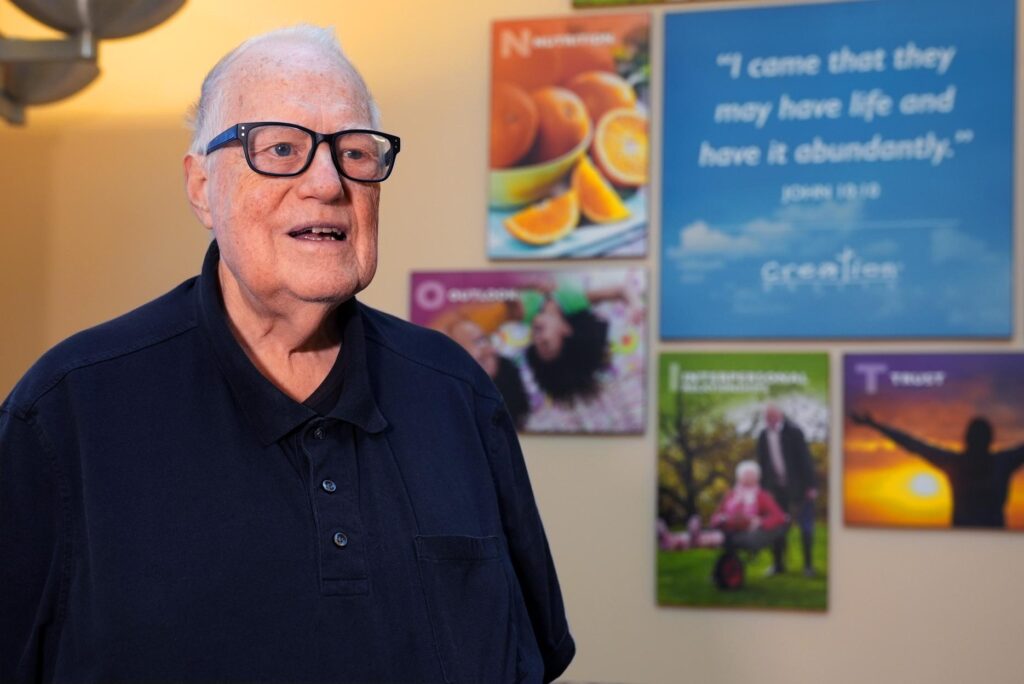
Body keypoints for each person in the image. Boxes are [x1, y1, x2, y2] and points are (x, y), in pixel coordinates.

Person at [0, 26, 574, 683]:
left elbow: (528, 655)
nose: (327, 182)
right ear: (200, 187)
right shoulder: (66, 411)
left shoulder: (456, 394)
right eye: (280, 148)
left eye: (355, 153)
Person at [850, 412, 1024, 528]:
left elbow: (913, 444)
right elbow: (912, 443)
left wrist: (874, 425)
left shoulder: (1000, 463)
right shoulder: (997, 463)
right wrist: (874, 425)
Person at [657, 461, 786, 552]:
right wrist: (720, 519)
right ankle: (672, 539)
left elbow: (779, 516)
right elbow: (716, 515)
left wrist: (760, 522)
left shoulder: (761, 495)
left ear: (757, 478)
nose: (747, 478)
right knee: (710, 532)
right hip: (725, 524)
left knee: (719, 536)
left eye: (751, 475)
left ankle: (673, 541)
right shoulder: (732, 494)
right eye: (745, 475)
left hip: (743, 529)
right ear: (739, 477)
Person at [756, 405, 818, 577]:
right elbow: (762, 463)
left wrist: (811, 486)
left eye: (773, 415)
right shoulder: (762, 436)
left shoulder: (794, 432)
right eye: (767, 416)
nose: (770, 419)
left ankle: (808, 566)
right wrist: (764, 489)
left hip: (800, 488)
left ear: (780, 415)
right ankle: (778, 565)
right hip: (776, 491)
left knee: (806, 528)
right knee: (777, 527)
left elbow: (806, 460)